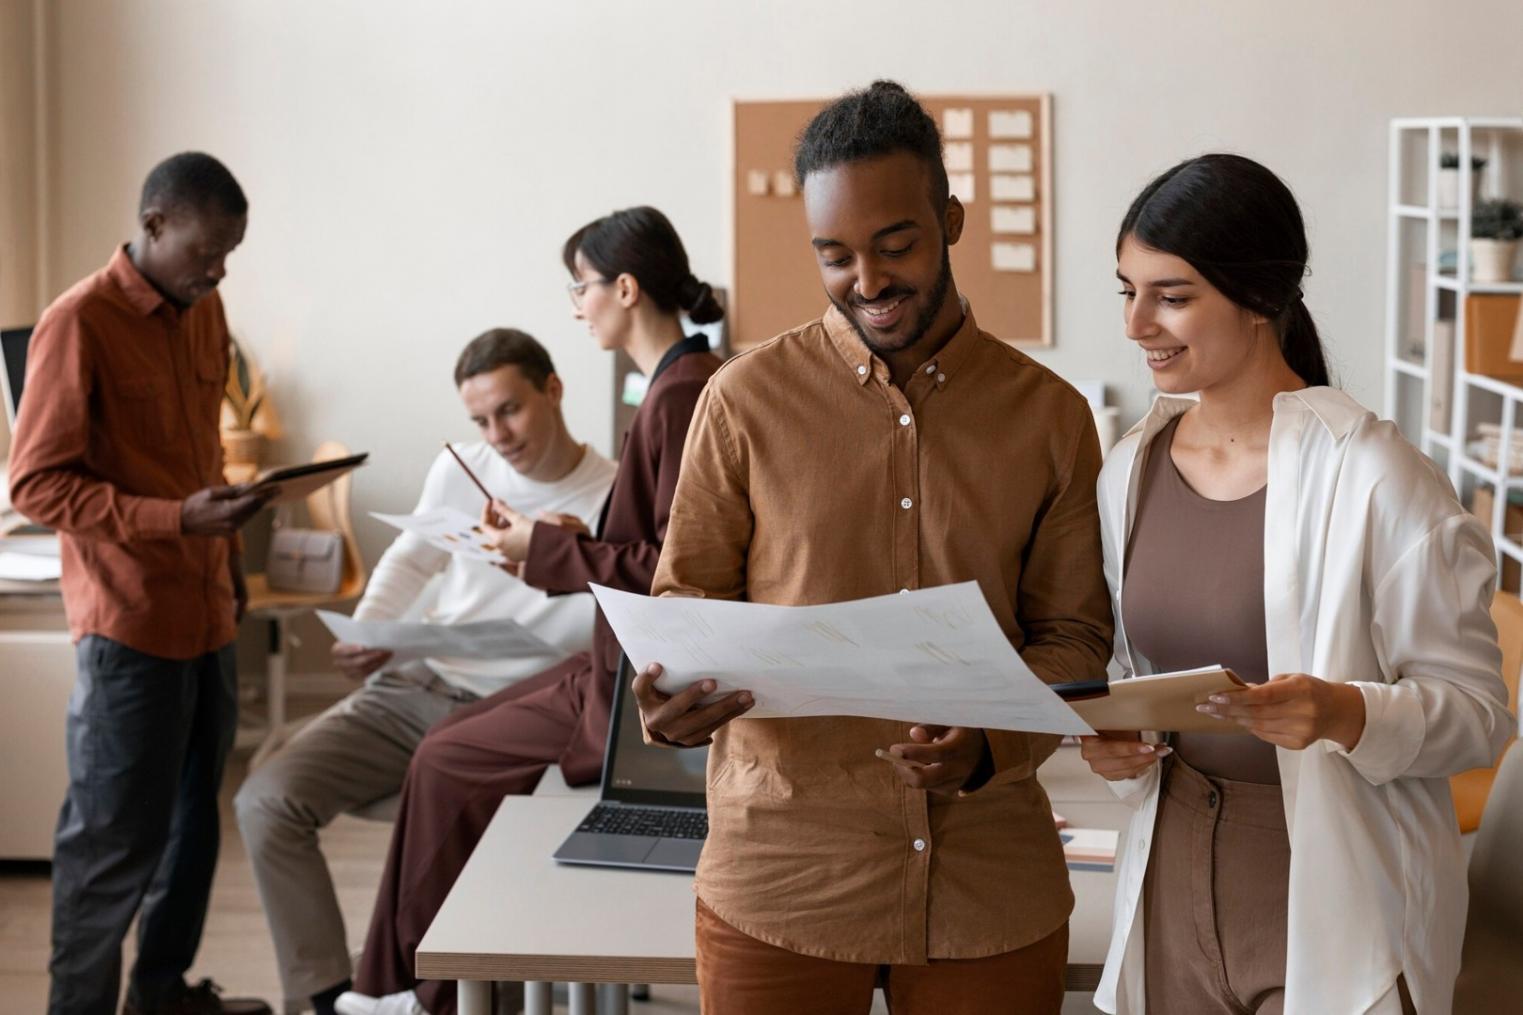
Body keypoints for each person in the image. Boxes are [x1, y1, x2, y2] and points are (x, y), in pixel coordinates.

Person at [635, 81, 1113, 1015]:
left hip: (990, 886)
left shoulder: (1051, 418)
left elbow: (1074, 639)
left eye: (895, 245)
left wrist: (988, 739)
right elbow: (682, 606)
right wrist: (665, 694)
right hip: (782, 877)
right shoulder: (740, 401)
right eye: (836, 255)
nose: (867, 280)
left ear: (950, 220)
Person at [1082, 153, 1515, 1014]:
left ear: (1257, 298)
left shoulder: (1376, 474)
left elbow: (1479, 714)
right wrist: (1116, 744)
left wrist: (1344, 712)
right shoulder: (1128, 468)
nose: (1136, 323)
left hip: (1331, 890)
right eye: (1124, 289)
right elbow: (1134, 671)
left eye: (1170, 295)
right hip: (1170, 866)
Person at [336, 206, 723, 1015]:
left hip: (637, 683)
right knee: (441, 747)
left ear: (624, 287)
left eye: (580, 288)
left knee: (444, 762)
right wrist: (573, 539)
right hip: (612, 659)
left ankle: (416, 993)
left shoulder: (681, 395)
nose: (576, 306)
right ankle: (395, 988)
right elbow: (649, 542)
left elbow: (676, 570)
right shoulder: (666, 387)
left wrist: (536, 551)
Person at [233, 328, 615, 1015]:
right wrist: (374, 629)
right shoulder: (462, 468)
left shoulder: (612, 494)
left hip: (519, 711)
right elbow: (411, 557)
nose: (496, 434)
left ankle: (432, 988)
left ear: (553, 389)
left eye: (510, 410)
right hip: (418, 684)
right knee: (265, 803)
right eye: (479, 419)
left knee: (459, 816)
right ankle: (326, 994)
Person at [8, 152, 275, 1015]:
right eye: (208, 249)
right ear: (155, 223)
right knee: (110, 845)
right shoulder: (77, 321)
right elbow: (36, 485)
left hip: (210, 613)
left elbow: (199, 454)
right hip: (130, 627)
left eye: (231, 252)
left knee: (196, 827)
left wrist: (226, 547)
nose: (219, 269)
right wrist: (174, 521)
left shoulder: (206, 310)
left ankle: (160, 995)